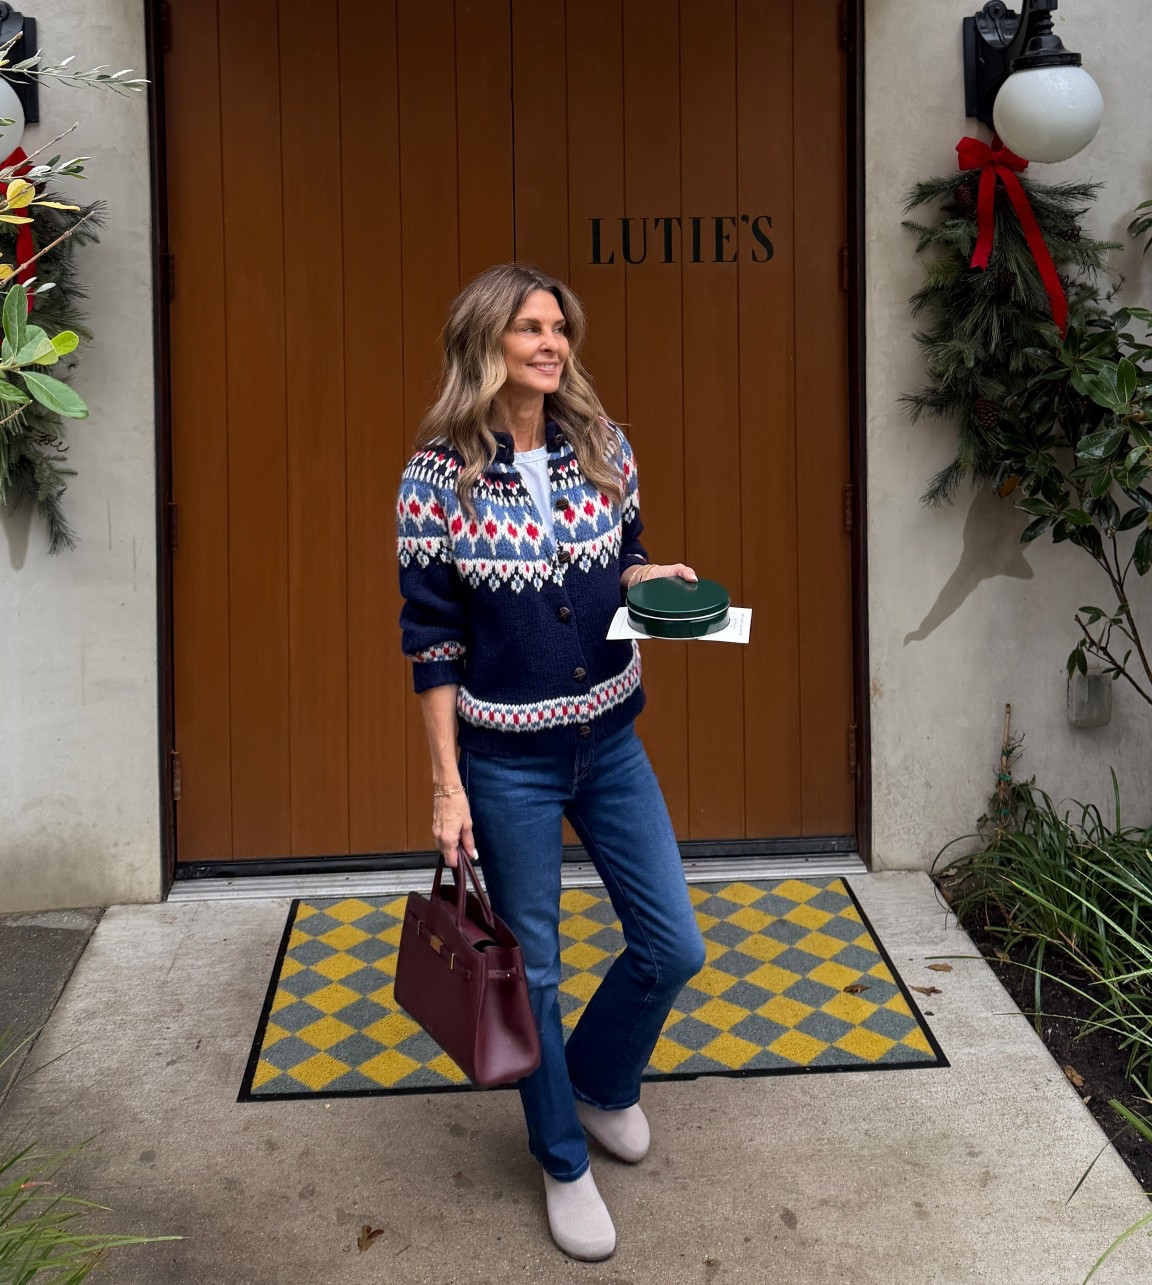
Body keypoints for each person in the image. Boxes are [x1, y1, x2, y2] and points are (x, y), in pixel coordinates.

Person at [395, 263, 706, 1262]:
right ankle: (561, 1156)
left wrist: (653, 574)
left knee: (673, 944)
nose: (551, 343)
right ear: (486, 341)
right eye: (529, 326)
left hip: (610, 741)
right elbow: (433, 641)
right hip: (506, 760)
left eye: (559, 326)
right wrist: (448, 786)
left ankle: (601, 1078)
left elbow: (624, 556)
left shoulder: (602, 447)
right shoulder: (435, 478)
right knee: (533, 970)